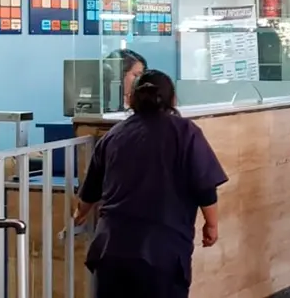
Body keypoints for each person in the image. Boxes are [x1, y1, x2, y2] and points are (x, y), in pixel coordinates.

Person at [75, 70, 228, 298]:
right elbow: (204, 187)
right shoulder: (186, 133)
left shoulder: (114, 134)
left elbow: (89, 192)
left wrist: (79, 215)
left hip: (112, 249)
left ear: (131, 99)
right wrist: (212, 225)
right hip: (162, 251)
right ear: (173, 99)